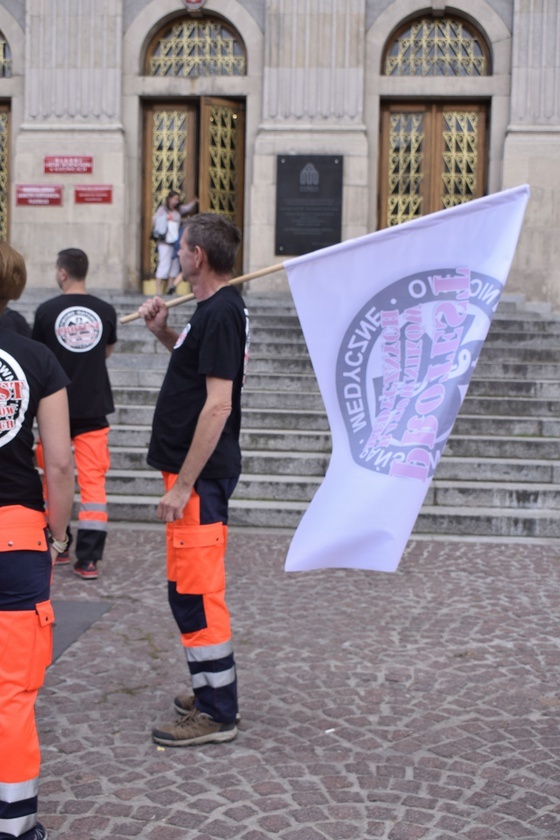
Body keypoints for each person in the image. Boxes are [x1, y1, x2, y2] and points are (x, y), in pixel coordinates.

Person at [138, 213, 250, 747]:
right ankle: (208, 688)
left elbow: (219, 405)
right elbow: (194, 369)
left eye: (181, 249)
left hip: (198, 482)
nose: (176, 256)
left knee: (198, 594)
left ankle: (216, 712)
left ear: (198, 257)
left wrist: (183, 484)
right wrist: (163, 333)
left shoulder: (223, 311)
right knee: (187, 588)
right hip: (191, 478)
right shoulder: (208, 311)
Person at [0, 242, 74, 840]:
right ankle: (15, 824)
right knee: (11, 693)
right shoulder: (38, 359)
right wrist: (56, 529)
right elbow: (60, 466)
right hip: (15, 536)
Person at [31, 249, 117, 580]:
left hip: (54, 408)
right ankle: (90, 558)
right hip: (94, 407)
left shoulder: (46, 311)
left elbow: (39, 358)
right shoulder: (105, 310)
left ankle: (59, 544)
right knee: (94, 484)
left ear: (62, 273)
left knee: (52, 476)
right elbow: (106, 351)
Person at [152, 191, 198, 296]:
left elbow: (187, 208)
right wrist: (166, 219)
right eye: (175, 199)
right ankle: (158, 290)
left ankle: (170, 288)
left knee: (174, 265)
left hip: (175, 242)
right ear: (169, 199)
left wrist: (194, 202)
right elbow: (155, 221)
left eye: (178, 199)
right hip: (165, 242)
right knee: (164, 264)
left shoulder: (178, 210)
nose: (177, 201)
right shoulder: (162, 210)